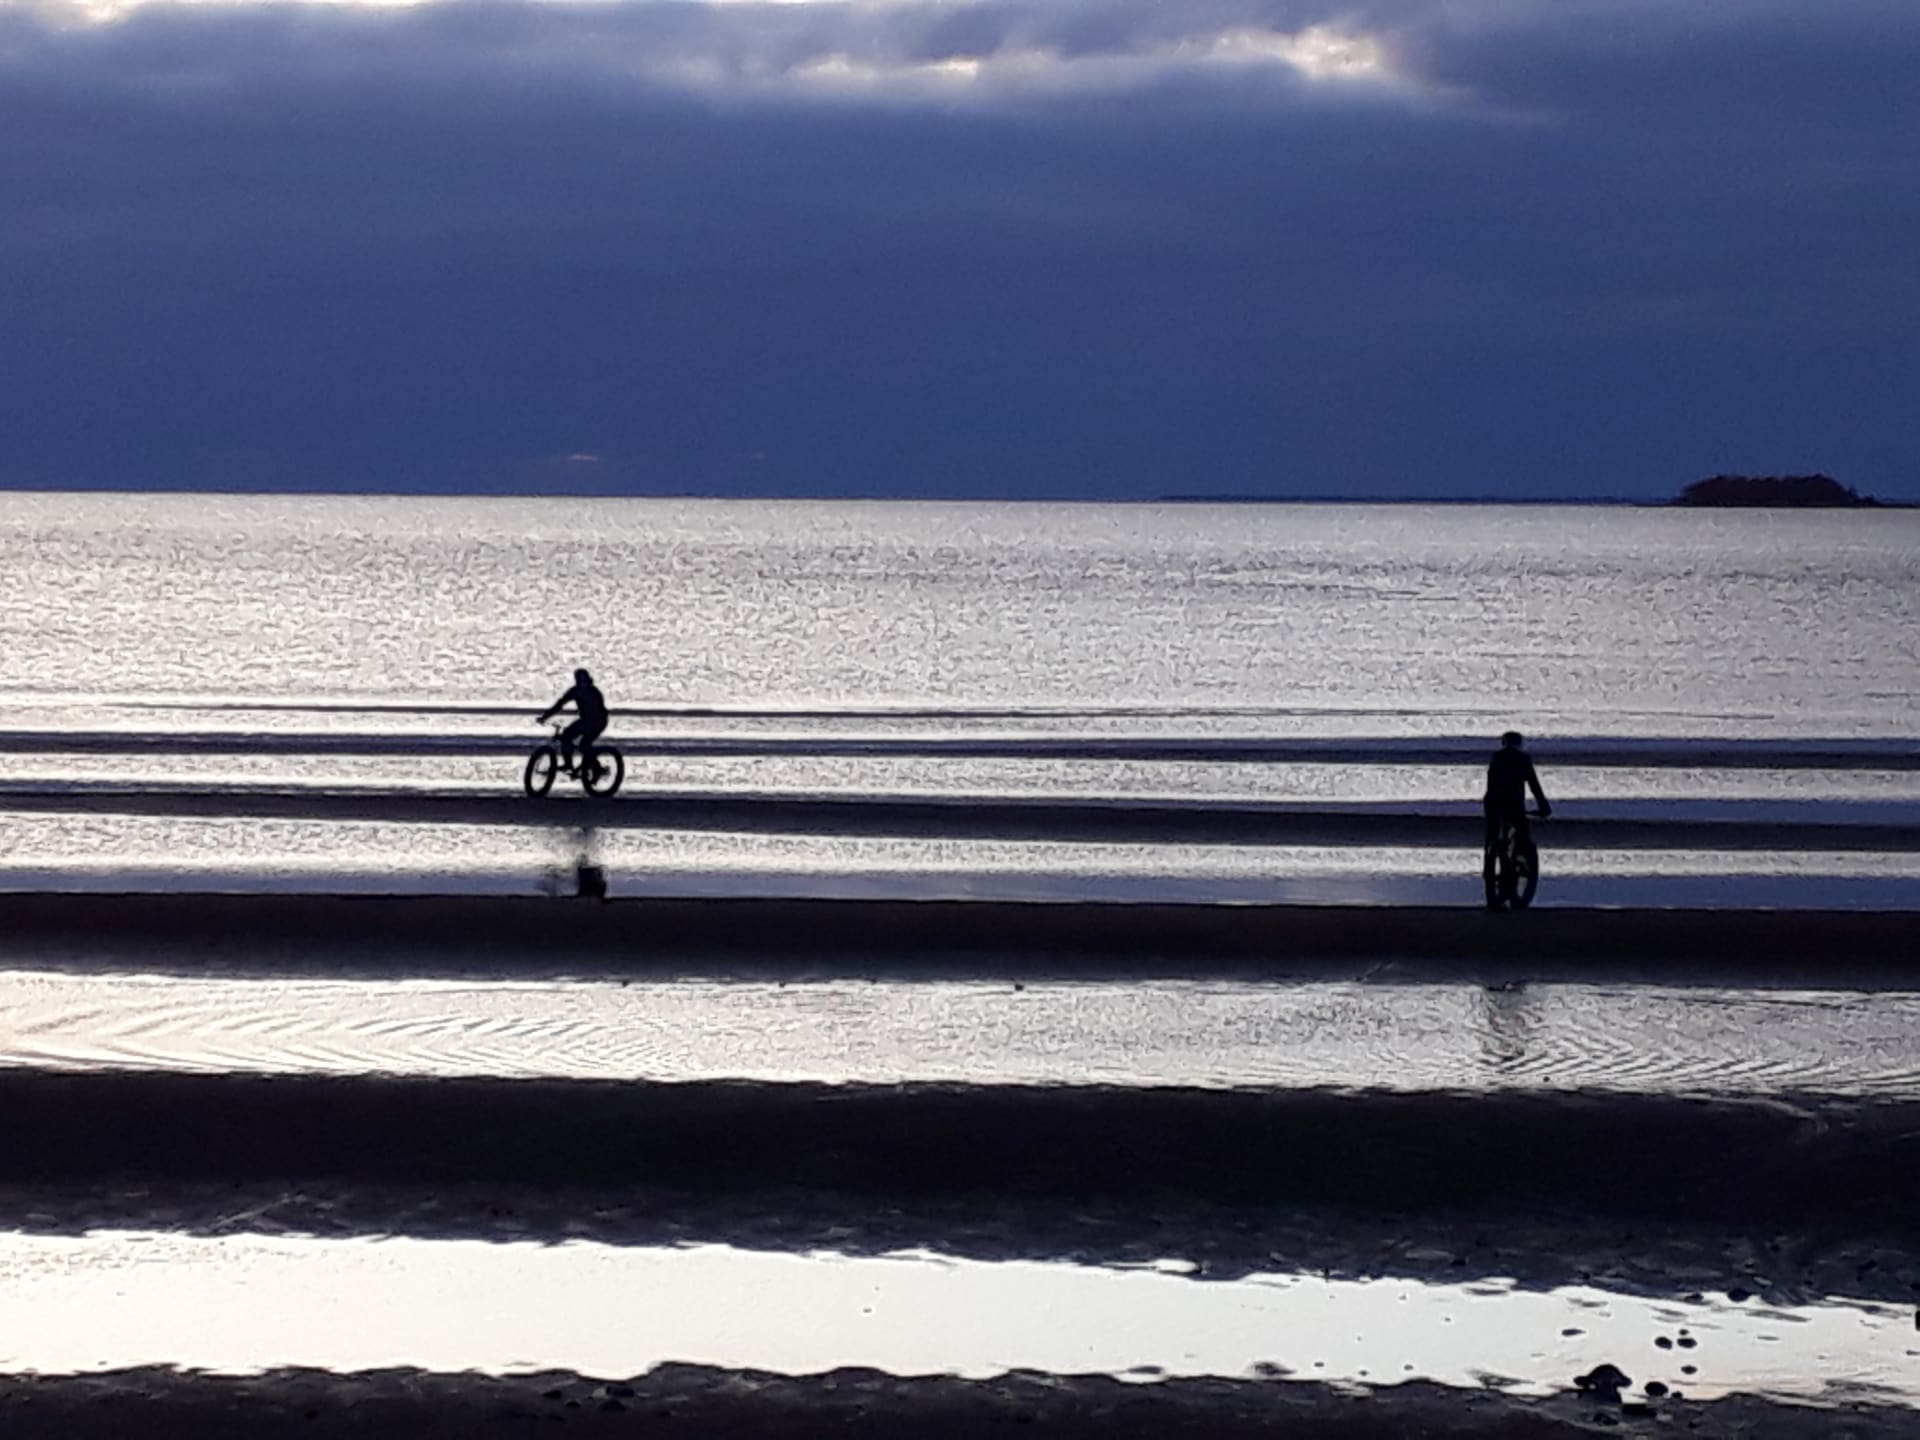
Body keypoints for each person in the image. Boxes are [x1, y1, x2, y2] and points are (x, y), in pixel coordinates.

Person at [1483, 730, 1551, 906]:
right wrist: (1544, 806)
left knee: (1492, 838)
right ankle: (1513, 885)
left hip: (1493, 804)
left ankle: (1489, 868)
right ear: (1519, 743)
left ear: (1503, 743)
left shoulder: (1496, 757)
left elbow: (1490, 784)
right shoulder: (1523, 758)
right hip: (1513, 804)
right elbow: (1534, 785)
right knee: (1521, 835)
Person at [538, 668, 609, 774]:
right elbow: (559, 704)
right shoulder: (575, 691)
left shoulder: (594, 692)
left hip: (598, 721)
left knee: (584, 744)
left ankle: (597, 768)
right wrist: (545, 716)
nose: (582, 683)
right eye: (580, 680)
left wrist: (584, 727)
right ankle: (568, 765)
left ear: (588, 680)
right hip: (585, 720)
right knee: (566, 737)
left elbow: (598, 711)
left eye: (584, 680)